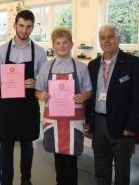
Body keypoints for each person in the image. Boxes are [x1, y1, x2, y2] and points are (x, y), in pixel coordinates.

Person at [0, 10, 47, 185]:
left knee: (28, 147)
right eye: (21, 25)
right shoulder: (2, 51)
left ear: (33, 27)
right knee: (6, 148)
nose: (24, 30)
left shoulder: (40, 52)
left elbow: (43, 81)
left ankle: (26, 180)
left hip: (28, 106)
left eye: (28, 27)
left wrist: (35, 82)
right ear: (14, 25)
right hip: (7, 107)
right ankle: (6, 181)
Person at [86, 25, 139, 185]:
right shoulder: (92, 65)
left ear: (119, 38)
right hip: (98, 124)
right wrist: (88, 121)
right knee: (101, 166)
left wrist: (132, 126)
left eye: (111, 36)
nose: (106, 41)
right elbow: (90, 96)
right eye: (103, 37)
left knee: (122, 170)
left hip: (122, 126)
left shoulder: (134, 63)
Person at [35, 27, 92, 185]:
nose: (62, 46)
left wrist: (83, 96)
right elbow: (37, 90)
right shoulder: (46, 67)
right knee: (58, 158)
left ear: (71, 44)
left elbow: (88, 91)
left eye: (65, 42)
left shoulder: (81, 67)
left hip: (73, 120)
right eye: (58, 43)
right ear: (53, 46)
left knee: (71, 160)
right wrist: (41, 95)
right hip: (53, 120)